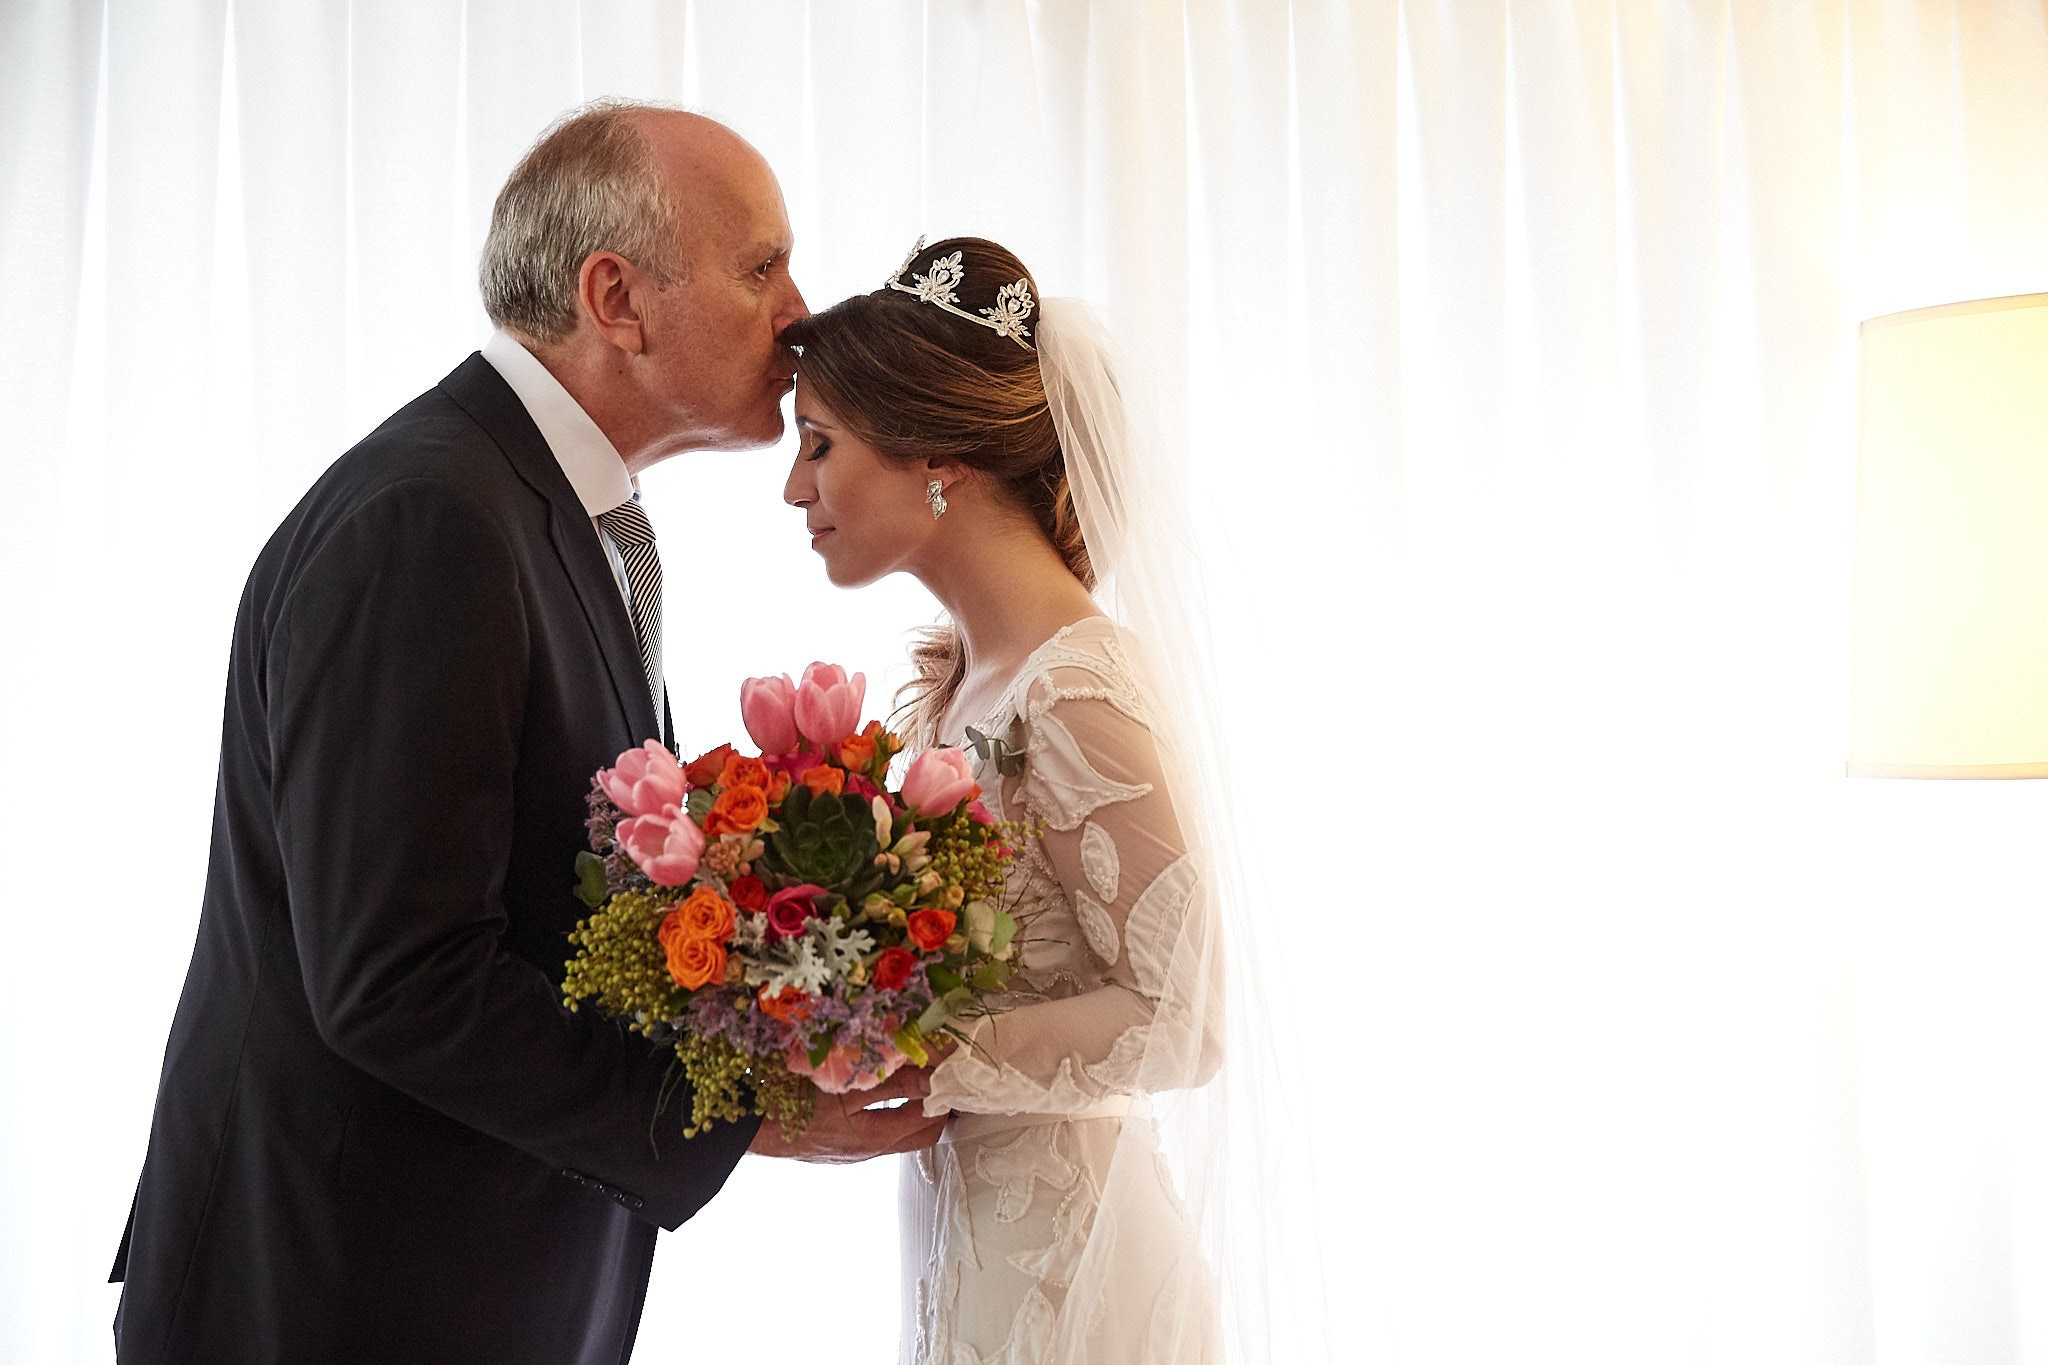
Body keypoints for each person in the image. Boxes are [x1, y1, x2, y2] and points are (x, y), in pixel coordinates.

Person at [110, 101, 944, 1365]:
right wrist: (731, 1112)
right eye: (760, 265)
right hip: (339, 1301)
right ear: (615, 297)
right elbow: (400, 979)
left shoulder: (531, 507)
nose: (799, 313)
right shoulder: (430, 521)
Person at [781, 238, 1235, 1364]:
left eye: (819, 445)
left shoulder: (1075, 687)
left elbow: (1186, 1019)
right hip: (964, 1231)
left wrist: (926, 1053)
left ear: (937, 453)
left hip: (1071, 1265)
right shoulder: (961, 684)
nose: (796, 486)